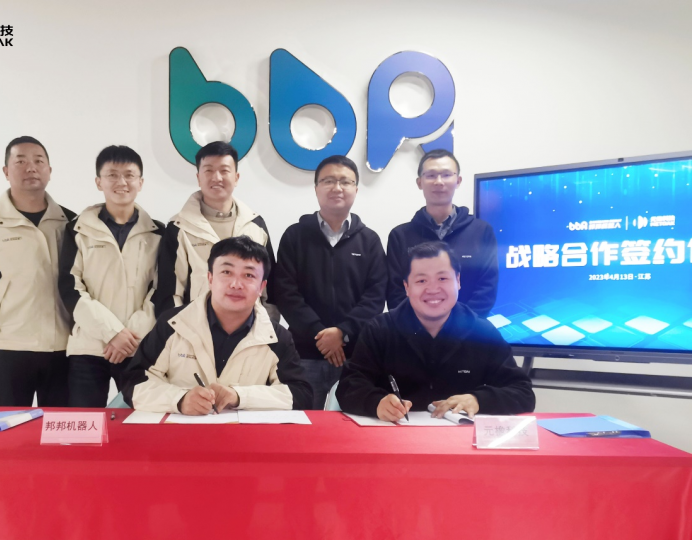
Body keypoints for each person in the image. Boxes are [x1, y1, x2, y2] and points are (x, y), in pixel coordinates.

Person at [338, 241, 534, 421]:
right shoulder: (379, 330)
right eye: (421, 281)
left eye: (442, 278)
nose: (432, 289)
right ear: (406, 287)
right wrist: (376, 403)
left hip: (461, 441)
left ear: (458, 280)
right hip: (395, 437)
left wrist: (478, 400)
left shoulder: (482, 333)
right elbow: (348, 387)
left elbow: (522, 392)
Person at [123, 236, 311, 413]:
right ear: (210, 278)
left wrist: (240, 396)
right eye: (227, 272)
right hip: (180, 431)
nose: (236, 284)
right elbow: (134, 382)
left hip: (244, 435)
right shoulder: (174, 323)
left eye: (248, 275)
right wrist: (180, 400)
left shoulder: (276, 336)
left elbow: (301, 395)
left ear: (261, 287)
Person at [0, 136, 76, 407]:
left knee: (58, 429)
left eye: (38, 161)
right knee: (11, 427)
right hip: (9, 349)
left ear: (49, 170)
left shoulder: (70, 222)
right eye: (20, 161)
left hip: (63, 347)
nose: (31, 168)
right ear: (6, 171)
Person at [275, 155, 386, 409]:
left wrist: (342, 333)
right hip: (304, 354)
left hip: (354, 355)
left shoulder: (369, 241)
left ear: (356, 189)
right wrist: (321, 335)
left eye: (345, 182)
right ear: (316, 188)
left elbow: (375, 297)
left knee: (351, 423)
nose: (337, 187)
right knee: (304, 423)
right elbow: (285, 293)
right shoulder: (295, 236)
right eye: (328, 181)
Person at [59, 145, 164, 408]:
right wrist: (112, 333)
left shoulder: (158, 233)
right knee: (85, 426)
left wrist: (129, 336)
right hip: (89, 347)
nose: (121, 182)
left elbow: (161, 290)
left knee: (139, 424)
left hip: (137, 346)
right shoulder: (77, 230)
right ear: (99, 182)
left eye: (129, 175)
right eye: (112, 175)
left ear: (140, 182)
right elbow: (70, 287)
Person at [155, 141, 277, 317]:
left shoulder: (255, 224)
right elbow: (170, 292)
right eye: (209, 170)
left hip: (251, 328)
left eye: (224, 171)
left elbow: (270, 288)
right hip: (196, 327)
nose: (217, 177)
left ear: (236, 177)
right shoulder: (179, 227)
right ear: (199, 178)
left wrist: (267, 326)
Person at [386, 149, 498, 317]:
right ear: (419, 182)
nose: (438, 182)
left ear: (458, 181)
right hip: (413, 331)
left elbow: (487, 289)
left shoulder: (481, 231)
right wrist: (424, 326)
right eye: (431, 175)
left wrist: (461, 325)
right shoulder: (400, 236)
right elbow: (396, 292)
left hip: (469, 330)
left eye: (446, 175)